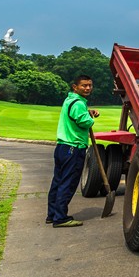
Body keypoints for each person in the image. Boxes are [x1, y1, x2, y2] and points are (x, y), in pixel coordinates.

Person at [47, 75, 99, 227]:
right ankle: (60, 218)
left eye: (90, 85)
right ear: (75, 87)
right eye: (84, 85)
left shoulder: (70, 100)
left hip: (62, 147)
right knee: (68, 183)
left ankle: (52, 214)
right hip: (73, 148)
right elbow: (84, 122)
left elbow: (77, 115)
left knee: (57, 181)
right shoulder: (78, 103)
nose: (88, 88)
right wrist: (90, 118)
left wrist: (88, 112)